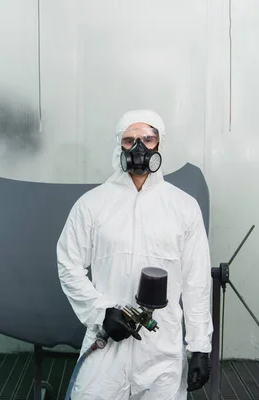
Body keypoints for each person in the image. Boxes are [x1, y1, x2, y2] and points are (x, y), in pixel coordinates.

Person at [56, 109, 213, 399]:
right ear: (119, 147)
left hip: (161, 349)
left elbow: (197, 283)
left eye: (148, 139)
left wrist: (199, 346)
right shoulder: (92, 205)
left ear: (159, 145)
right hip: (108, 341)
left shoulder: (183, 207)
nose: (139, 148)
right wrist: (101, 313)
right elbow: (68, 265)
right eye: (130, 140)